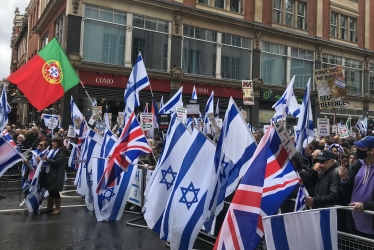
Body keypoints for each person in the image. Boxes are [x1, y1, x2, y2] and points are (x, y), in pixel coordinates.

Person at [339, 136, 374, 238]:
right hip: (354, 224)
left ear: (371, 150)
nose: (357, 150)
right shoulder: (355, 166)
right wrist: (344, 179)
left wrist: (365, 206)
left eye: (361, 148)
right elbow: (346, 193)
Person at [38, 138, 66, 215]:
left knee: (55, 191)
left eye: (54, 142)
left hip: (56, 174)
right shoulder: (52, 151)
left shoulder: (61, 152)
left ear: (58, 143)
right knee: (50, 190)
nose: (52, 143)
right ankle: (49, 207)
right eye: (52, 142)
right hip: (50, 173)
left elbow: (57, 162)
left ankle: (57, 208)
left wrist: (47, 160)